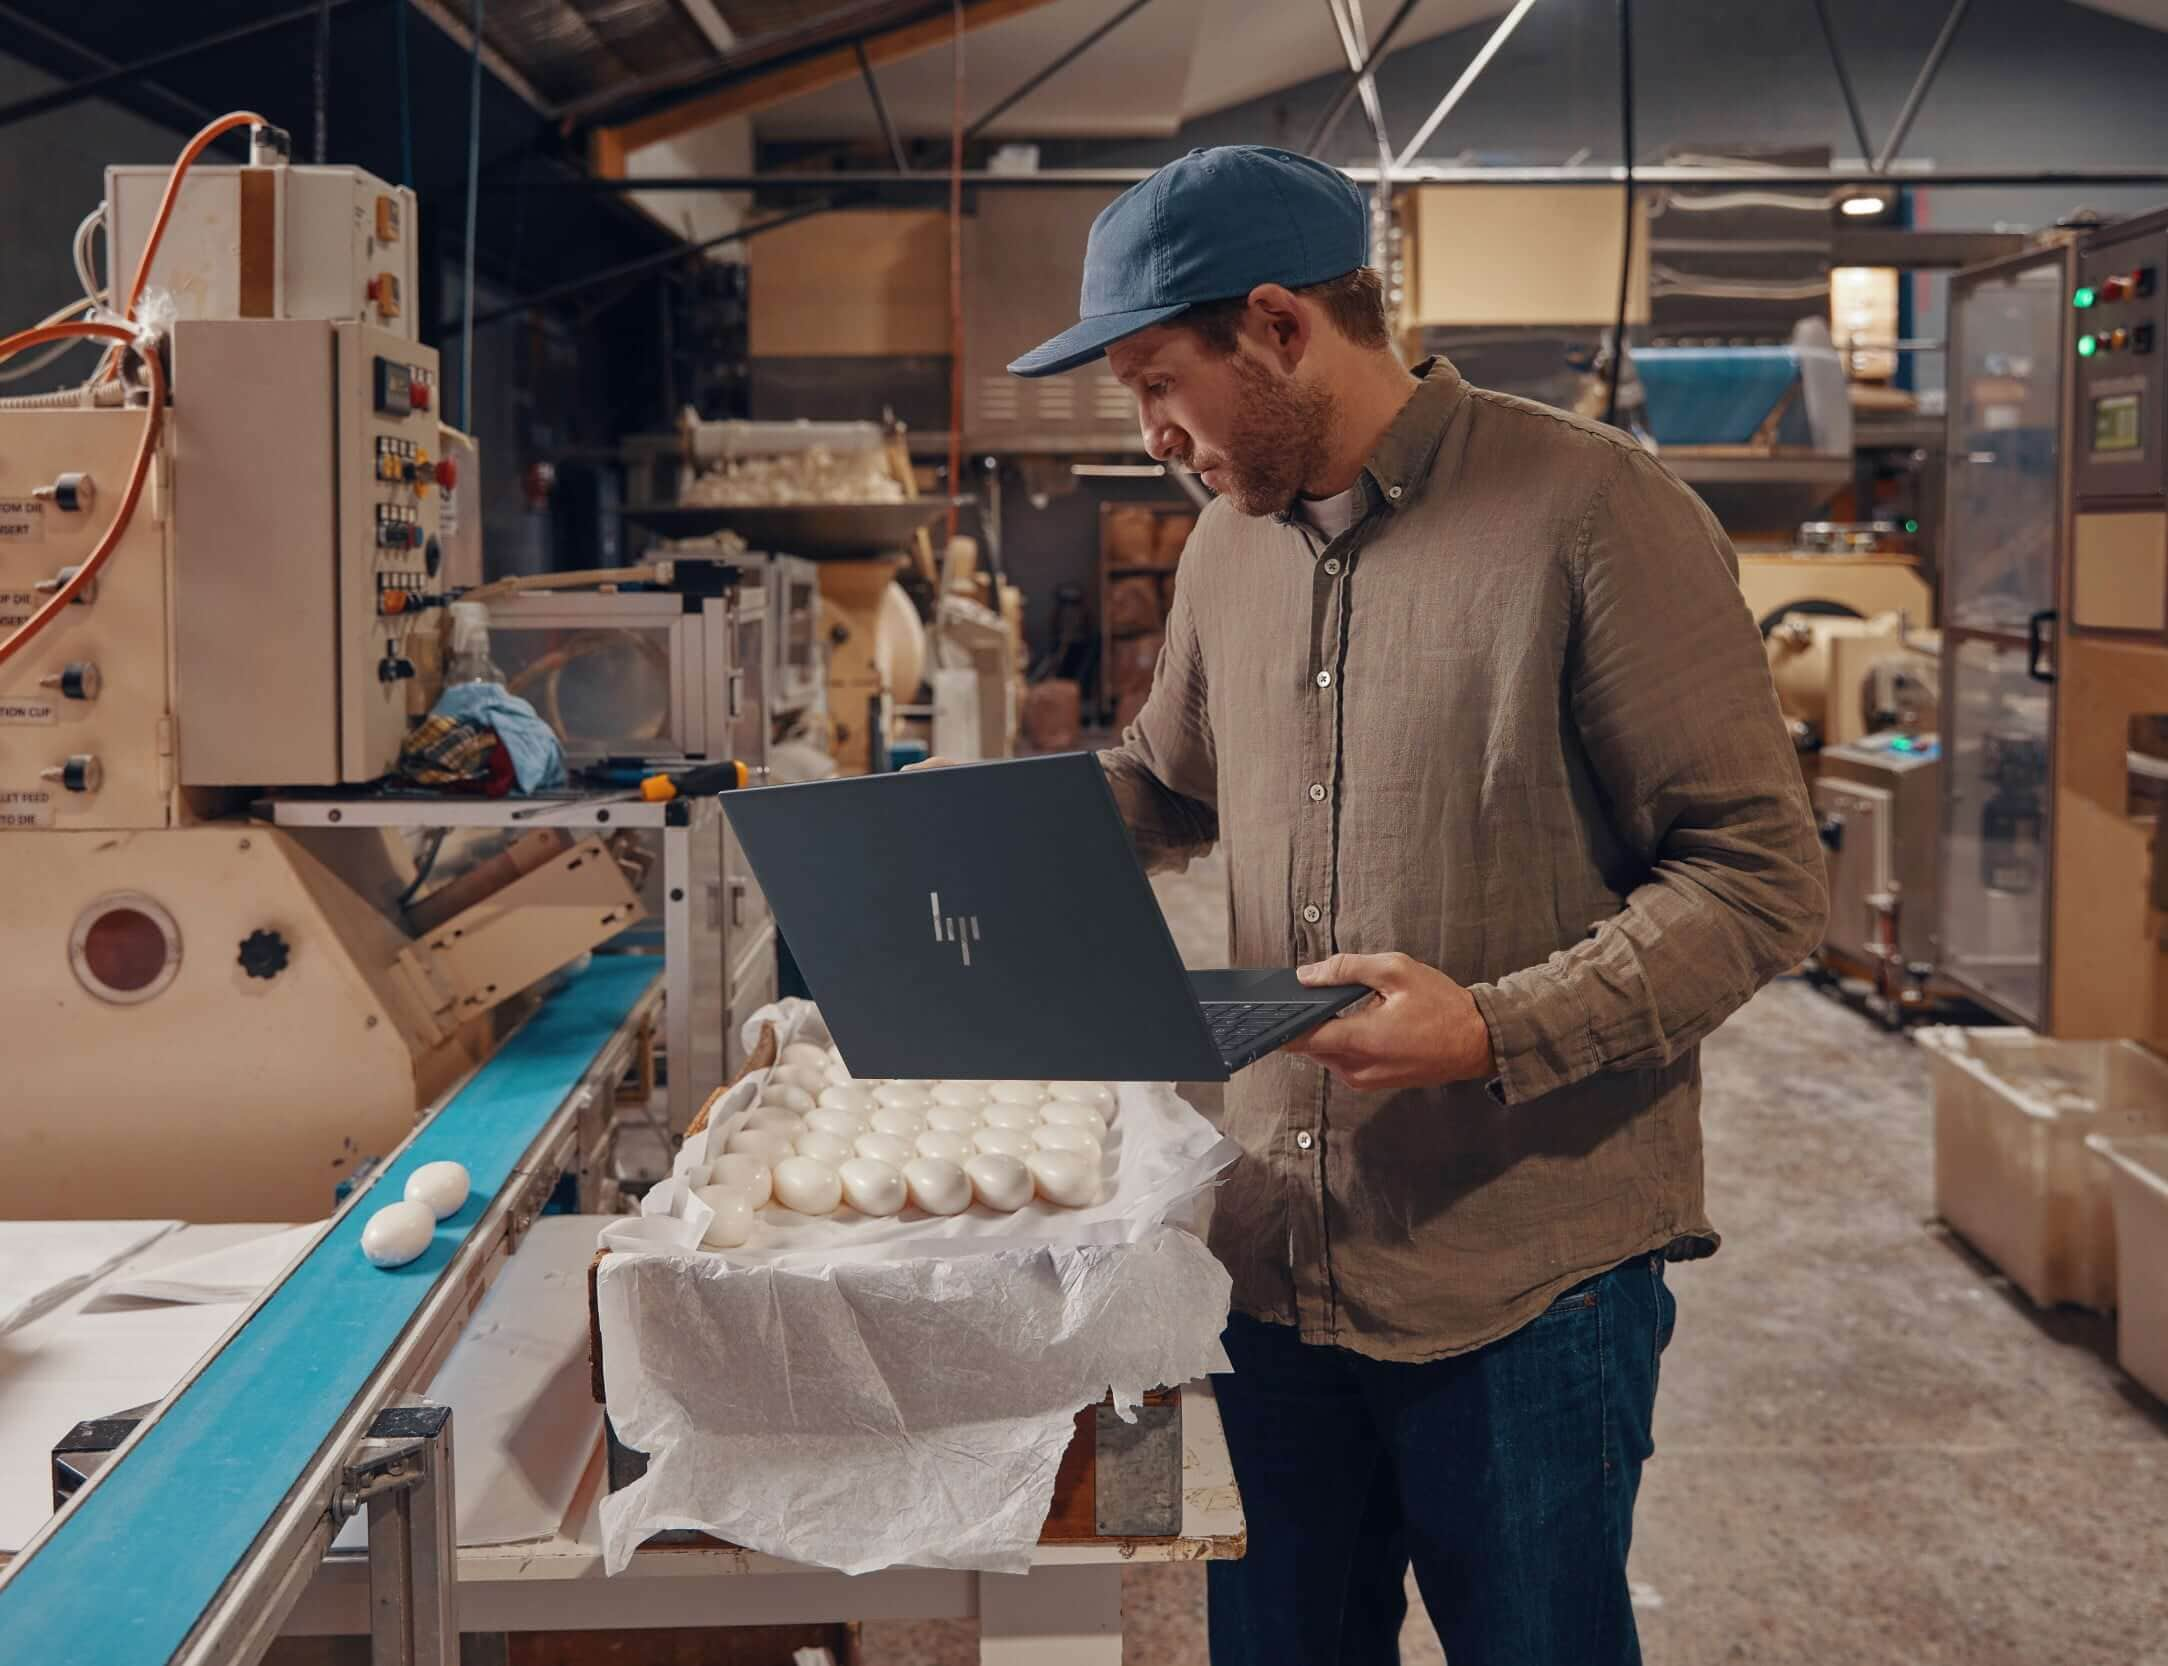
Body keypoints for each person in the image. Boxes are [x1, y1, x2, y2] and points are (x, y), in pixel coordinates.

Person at [1005, 146, 1828, 1664]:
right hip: (1272, 1250)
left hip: (1518, 1273)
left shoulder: (1594, 513)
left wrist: (1494, 1027)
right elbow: (1169, 781)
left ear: (1278, 327)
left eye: (1157, 382)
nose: (1153, 435)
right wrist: (971, 848)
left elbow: (1762, 877)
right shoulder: (1226, 541)